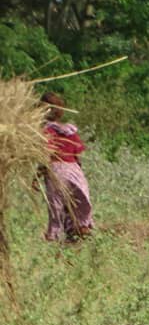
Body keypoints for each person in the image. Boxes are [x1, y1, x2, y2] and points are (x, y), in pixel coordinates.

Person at [38, 91, 94, 242]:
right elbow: (78, 156)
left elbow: (46, 156)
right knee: (77, 205)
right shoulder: (70, 131)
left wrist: (36, 177)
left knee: (57, 208)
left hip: (57, 171)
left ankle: (54, 237)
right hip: (75, 171)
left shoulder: (47, 131)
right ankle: (79, 233)